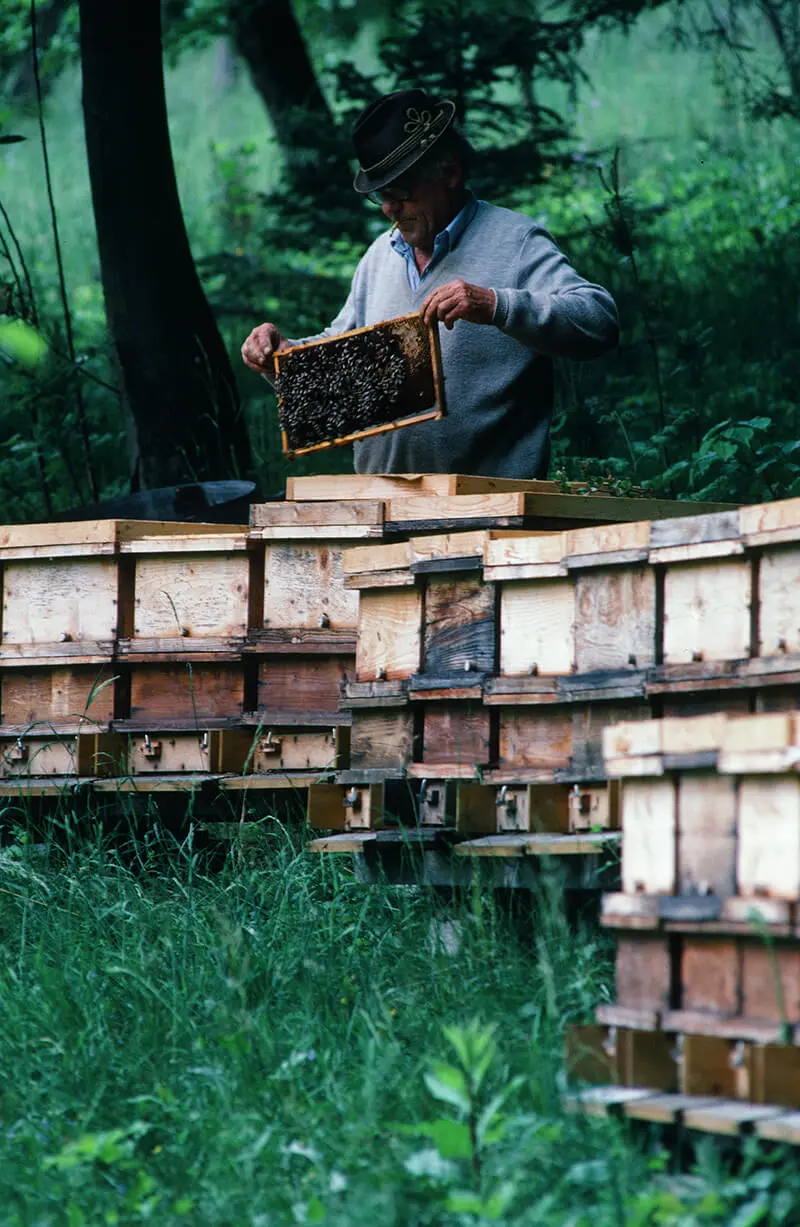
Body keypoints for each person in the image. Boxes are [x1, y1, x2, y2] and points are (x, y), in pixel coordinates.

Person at [241, 88, 619, 479]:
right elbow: (342, 358)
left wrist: (496, 305)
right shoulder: (378, 256)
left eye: (400, 194)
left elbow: (599, 321)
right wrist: (283, 358)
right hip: (382, 510)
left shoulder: (515, 241)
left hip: (490, 510)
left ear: (449, 172)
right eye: (380, 197)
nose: (389, 209)